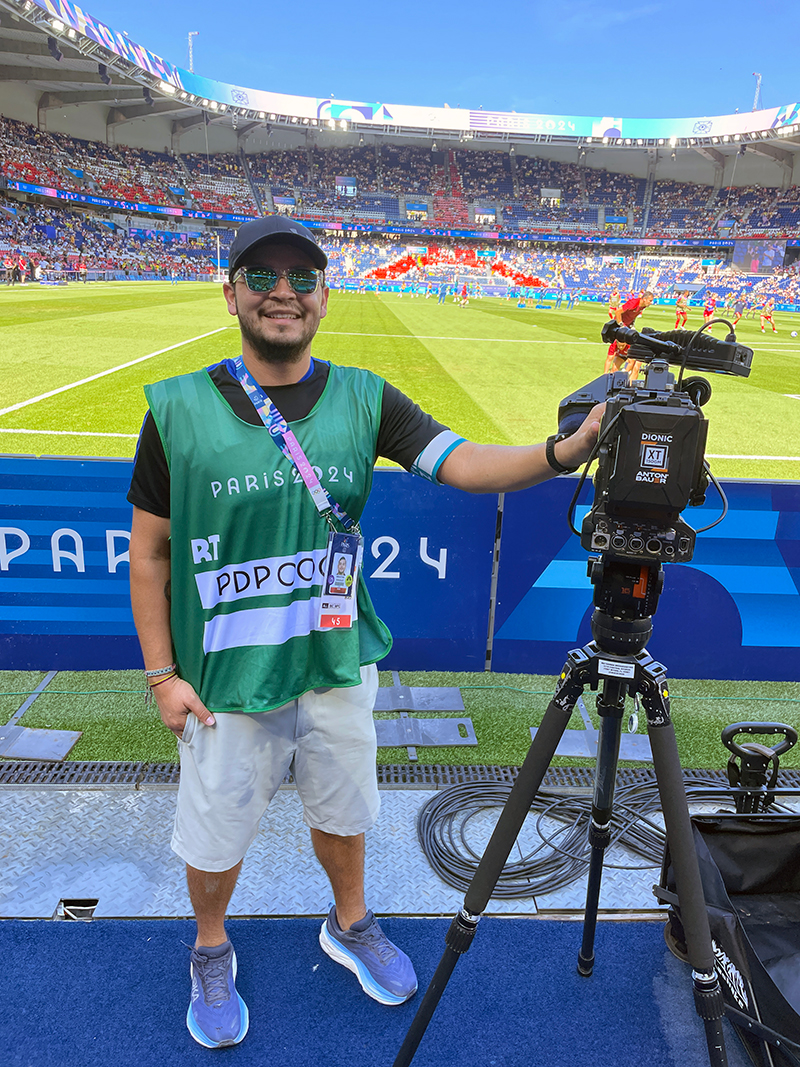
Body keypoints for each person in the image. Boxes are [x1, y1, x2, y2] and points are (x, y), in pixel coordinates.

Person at [127, 217, 603, 1049]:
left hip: (337, 661)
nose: (284, 291)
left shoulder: (366, 396)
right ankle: (209, 948)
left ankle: (348, 923)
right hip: (223, 678)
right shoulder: (175, 409)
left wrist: (564, 453)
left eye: (303, 277)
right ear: (231, 289)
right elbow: (150, 554)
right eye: (263, 274)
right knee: (214, 829)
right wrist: (162, 674)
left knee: (345, 810)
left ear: (324, 295)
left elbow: (466, 463)